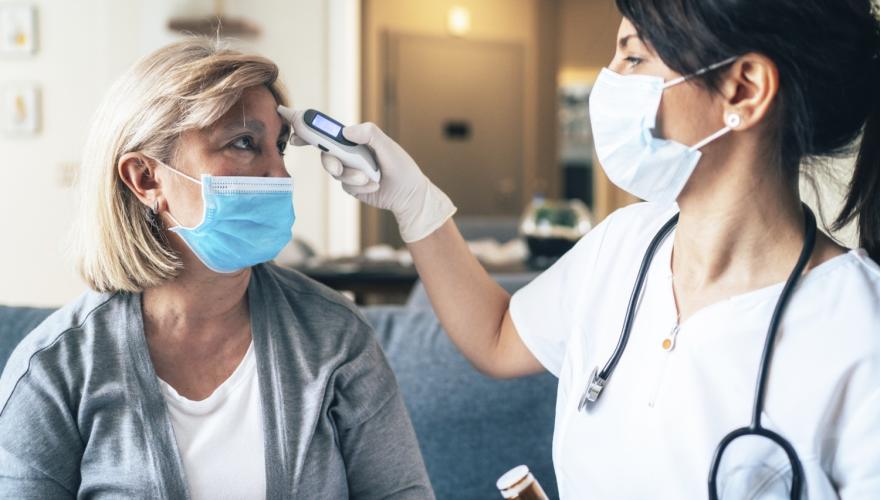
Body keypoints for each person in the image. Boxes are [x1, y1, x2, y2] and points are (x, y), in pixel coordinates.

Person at [304, 0, 880, 497]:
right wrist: (416, 204)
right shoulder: (625, 244)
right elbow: (498, 337)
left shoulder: (858, 330)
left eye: (633, 57)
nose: (609, 81)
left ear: (743, 89)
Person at [0, 39, 432, 499]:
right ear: (146, 178)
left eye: (279, 147)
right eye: (245, 143)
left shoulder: (336, 336)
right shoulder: (53, 369)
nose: (280, 175)